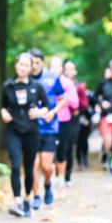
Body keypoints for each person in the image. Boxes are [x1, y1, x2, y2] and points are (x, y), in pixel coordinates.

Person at [0, 52, 50, 217]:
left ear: (31, 68)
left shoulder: (36, 87)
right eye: (20, 64)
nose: (22, 68)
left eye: (26, 65)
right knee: (15, 165)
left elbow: (46, 107)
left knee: (29, 168)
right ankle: (17, 201)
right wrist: (3, 113)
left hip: (31, 131)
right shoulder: (8, 86)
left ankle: (27, 198)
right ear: (16, 66)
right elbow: (3, 106)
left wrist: (39, 112)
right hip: (13, 130)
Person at [29, 49, 68, 210]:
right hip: (31, 128)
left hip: (49, 127)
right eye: (31, 62)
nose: (33, 66)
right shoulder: (24, 79)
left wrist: (53, 112)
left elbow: (63, 99)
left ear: (42, 63)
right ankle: (36, 196)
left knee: (46, 165)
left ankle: (48, 185)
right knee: (33, 163)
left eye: (37, 62)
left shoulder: (52, 77)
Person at [49, 56, 79, 194]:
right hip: (48, 121)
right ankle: (51, 177)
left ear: (61, 69)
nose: (55, 69)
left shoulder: (67, 83)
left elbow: (75, 102)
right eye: (53, 66)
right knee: (49, 150)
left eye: (58, 66)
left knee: (63, 149)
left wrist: (63, 98)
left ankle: (61, 177)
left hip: (64, 120)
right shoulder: (45, 82)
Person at [64, 59, 90, 177]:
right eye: (67, 69)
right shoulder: (59, 84)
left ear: (75, 71)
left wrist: (75, 106)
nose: (69, 71)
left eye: (71, 69)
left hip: (74, 119)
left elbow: (85, 104)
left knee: (71, 144)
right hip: (60, 118)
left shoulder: (79, 87)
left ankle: (68, 171)